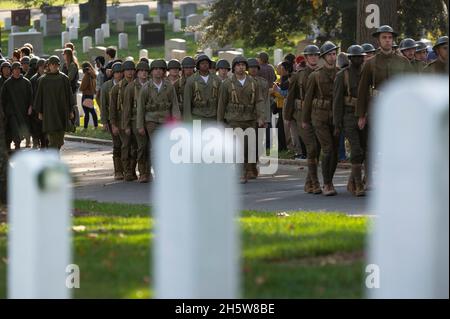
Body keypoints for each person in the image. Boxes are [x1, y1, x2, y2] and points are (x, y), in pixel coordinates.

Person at [356, 25, 411, 189]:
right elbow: (363, 90)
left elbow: (410, 86)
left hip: (398, 109)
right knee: (373, 144)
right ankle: (370, 178)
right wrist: (361, 115)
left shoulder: (403, 61)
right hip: (376, 108)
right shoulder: (370, 63)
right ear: (378, 40)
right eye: (384, 37)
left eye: (389, 37)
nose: (387, 40)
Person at [217, 56, 265, 184]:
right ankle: (240, 173)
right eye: (238, 65)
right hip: (234, 119)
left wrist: (261, 117)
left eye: (243, 65)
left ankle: (250, 168)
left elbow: (259, 101)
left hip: (250, 118)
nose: (241, 67)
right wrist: (220, 121)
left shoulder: (253, 82)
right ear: (233, 68)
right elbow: (222, 103)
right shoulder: (227, 83)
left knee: (250, 146)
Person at [303, 41, 340, 196]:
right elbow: (308, 99)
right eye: (329, 55)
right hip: (319, 117)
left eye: (334, 54)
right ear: (323, 57)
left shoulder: (340, 73)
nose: (332, 57)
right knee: (327, 149)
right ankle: (326, 184)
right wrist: (305, 120)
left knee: (335, 152)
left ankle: (329, 180)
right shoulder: (315, 75)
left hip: (336, 117)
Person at [285, 45, 322, 194]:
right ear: (305, 58)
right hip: (301, 116)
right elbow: (290, 97)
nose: (313, 58)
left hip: (318, 114)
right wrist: (287, 117)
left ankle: (309, 182)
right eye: (311, 55)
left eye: (316, 55)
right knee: (311, 147)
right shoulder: (298, 75)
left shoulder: (321, 73)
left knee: (317, 149)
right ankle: (315, 182)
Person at [137, 59, 181, 179]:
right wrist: (140, 125)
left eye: (160, 69)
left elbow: (174, 105)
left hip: (166, 121)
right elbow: (140, 107)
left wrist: (176, 120)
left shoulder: (169, 87)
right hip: (151, 121)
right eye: (155, 69)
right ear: (151, 72)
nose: (158, 71)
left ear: (164, 72)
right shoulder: (146, 88)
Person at [333, 45, 367, 197]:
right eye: (356, 57)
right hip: (348, 116)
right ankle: (358, 185)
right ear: (350, 58)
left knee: (364, 150)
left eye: (361, 56)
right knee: (356, 149)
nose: (359, 59)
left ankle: (352, 182)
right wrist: (337, 122)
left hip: (364, 116)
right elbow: (337, 100)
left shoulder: (367, 73)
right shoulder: (342, 75)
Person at [33, 56, 76, 151]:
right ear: (49, 65)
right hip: (49, 113)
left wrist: (71, 111)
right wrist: (40, 112)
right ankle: (54, 158)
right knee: (52, 139)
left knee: (60, 140)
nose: (54, 66)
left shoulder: (64, 78)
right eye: (52, 64)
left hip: (62, 111)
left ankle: (54, 154)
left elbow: (69, 95)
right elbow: (39, 97)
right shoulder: (43, 80)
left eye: (56, 64)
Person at [122, 61, 150, 183]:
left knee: (150, 146)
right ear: (137, 73)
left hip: (149, 119)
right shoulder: (131, 87)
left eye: (145, 71)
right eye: (141, 71)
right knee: (141, 146)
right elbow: (127, 108)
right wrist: (126, 125)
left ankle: (147, 172)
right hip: (135, 120)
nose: (143, 73)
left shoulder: (151, 85)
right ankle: (142, 172)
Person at [110, 60, 137, 181]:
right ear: (124, 72)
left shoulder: (139, 85)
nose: (130, 72)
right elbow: (112, 109)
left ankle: (132, 170)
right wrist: (113, 124)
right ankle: (126, 171)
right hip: (121, 121)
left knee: (135, 146)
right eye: (127, 70)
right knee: (126, 146)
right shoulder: (117, 88)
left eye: (132, 70)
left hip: (135, 119)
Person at [1, 62, 33, 151]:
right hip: (12, 112)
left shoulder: (26, 82)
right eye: (15, 69)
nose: (17, 71)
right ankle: (17, 146)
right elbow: (3, 99)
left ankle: (23, 142)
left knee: (23, 128)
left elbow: (31, 96)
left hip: (23, 110)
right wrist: (3, 111)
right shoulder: (7, 84)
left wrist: (30, 107)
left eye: (18, 69)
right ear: (12, 71)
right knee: (15, 130)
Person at [247, 57, 270, 179]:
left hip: (259, 116)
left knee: (257, 143)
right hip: (247, 116)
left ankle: (253, 165)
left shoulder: (263, 83)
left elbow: (265, 102)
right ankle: (248, 167)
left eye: (255, 67)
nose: (253, 70)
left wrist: (265, 118)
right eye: (251, 67)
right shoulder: (244, 81)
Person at [100, 62, 124, 180]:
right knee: (117, 145)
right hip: (112, 118)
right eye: (117, 73)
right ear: (113, 74)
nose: (119, 75)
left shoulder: (127, 84)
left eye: (121, 72)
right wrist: (104, 122)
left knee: (127, 145)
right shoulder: (106, 86)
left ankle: (127, 169)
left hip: (125, 119)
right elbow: (103, 105)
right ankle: (118, 170)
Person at [183, 54, 221, 122]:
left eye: (206, 63)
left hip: (213, 116)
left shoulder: (217, 79)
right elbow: (187, 102)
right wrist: (187, 121)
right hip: (197, 116)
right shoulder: (191, 80)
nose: (205, 65)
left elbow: (221, 100)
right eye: (202, 63)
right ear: (198, 65)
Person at [29, 58, 48, 149]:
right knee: (38, 128)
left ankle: (46, 144)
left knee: (47, 128)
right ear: (38, 67)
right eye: (41, 67)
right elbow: (32, 94)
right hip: (37, 107)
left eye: (44, 66)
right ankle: (40, 143)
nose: (43, 68)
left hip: (47, 107)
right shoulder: (33, 79)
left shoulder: (48, 78)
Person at [62, 48, 80, 126]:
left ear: (68, 55)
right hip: (66, 88)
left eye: (64, 54)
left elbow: (69, 78)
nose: (63, 56)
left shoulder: (72, 65)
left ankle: (75, 123)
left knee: (72, 106)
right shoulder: (66, 64)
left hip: (71, 89)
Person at [79, 62, 98, 130]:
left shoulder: (87, 75)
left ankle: (85, 127)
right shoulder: (93, 74)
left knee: (87, 112)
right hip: (91, 95)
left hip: (86, 95)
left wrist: (80, 86)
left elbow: (82, 87)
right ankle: (95, 125)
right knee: (91, 111)